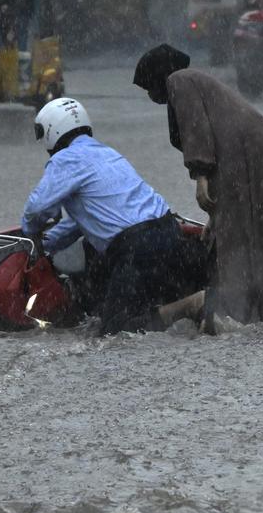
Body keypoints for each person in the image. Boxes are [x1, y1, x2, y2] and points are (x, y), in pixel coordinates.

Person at [133, 44, 263, 329]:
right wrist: (214, 216)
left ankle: (238, 309)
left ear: (158, 76)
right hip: (254, 144)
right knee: (260, 225)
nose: (150, 96)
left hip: (241, 150)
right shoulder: (197, 81)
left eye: (148, 88)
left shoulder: (179, 81)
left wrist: (200, 175)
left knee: (236, 234)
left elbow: (197, 129)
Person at [22, 98, 196, 335]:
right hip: (168, 230)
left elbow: (36, 209)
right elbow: (78, 225)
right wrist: (47, 244)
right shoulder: (107, 153)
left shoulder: (66, 159)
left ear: (52, 130)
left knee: (116, 332)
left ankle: (191, 306)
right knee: (134, 307)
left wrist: (30, 236)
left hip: (137, 245)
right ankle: (181, 310)